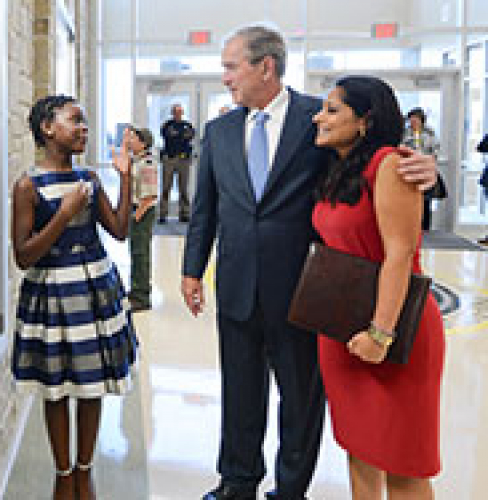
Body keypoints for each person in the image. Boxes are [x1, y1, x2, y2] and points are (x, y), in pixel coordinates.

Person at [181, 26, 438, 500]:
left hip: (306, 291)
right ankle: (237, 481)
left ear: (266, 66)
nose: (224, 78)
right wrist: (192, 269)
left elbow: (369, 162)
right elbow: (206, 209)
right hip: (236, 284)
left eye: (231, 66)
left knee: (301, 398)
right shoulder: (217, 131)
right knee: (239, 392)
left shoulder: (316, 120)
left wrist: (425, 169)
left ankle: (290, 489)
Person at [311, 75, 445, 499]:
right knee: (360, 449)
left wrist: (380, 334)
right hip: (343, 326)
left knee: (403, 461)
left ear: (365, 121)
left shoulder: (390, 164)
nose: (319, 117)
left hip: (393, 327)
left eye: (333, 110)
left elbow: (400, 255)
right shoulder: (337, 165)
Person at [11, 95, 137, 500]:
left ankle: (85, 472)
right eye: (75, 120)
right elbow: (23, 255)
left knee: (91, 384)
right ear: (47, 128)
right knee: (57, 386)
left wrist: (126, 177)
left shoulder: (89, 179)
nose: (83, 128)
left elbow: (118, 230)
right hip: (53, 292)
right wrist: (63, 214)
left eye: (84, 122)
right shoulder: (28, 185)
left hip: (94, 289)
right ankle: (63, 473)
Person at [127, 126, 158, 312]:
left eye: (134, 139)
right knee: (135, 252)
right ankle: (136, 289)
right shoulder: (136, 160)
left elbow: (149, 196)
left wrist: (136, 217)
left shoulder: (147, 164)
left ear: (144, 143)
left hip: (143, 211)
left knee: (141, 253)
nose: (131, 142)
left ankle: (142, 296)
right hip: (137, 209)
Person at [401, 108, 442, 230]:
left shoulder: (429, 133)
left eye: (416, 119)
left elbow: (435, 149)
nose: (413, 122)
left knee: (425, 201)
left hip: (424, 168)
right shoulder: (405, 133)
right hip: (410, 167)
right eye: (411, 119)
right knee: (409, 200)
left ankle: (425, 228)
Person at [160, 103, 195, 223]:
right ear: (172, 113)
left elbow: (189, 136)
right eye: (176, 111)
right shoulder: (167, 125)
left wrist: (178, 136)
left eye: (180, 111)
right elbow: (168, 135)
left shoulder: (187, 125)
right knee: (166, 187)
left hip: (183, 160)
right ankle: (163, 214)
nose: (178, 114)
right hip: (169, 159)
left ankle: (184, 213)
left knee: (183, 189)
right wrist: (180, 137)